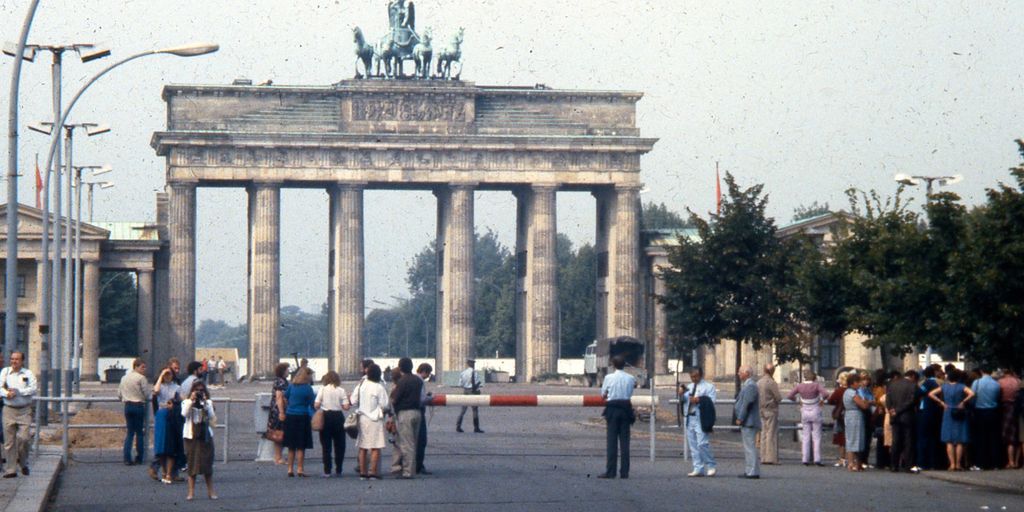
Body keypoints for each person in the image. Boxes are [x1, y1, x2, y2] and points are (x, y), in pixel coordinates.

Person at [598, 356, 636, 479]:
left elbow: (603, 395)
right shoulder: (631, 378)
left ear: (613, 365)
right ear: (624, 365)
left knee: (612, 441)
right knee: (625, 442)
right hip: (626, 409)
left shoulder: (608, 378)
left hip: (612, 409)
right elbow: (630, 393)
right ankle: (625, 472)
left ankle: (611, 471)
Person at [930, 369, 975, 471]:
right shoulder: (962, 386)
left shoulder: (944, 387)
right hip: (960, 412)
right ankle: (958, 464)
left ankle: (952, 464)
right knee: (960, 440)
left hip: (948, 411)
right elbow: (972, 393)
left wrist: (941, 402)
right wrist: (963, 402)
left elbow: (931, 394)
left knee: (948, 440)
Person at [351, 363, 389, 480]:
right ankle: (373, 472)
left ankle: (363, 472)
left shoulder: (361, 385)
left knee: (363, 447)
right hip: (375, 419)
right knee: (375, 447)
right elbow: (385, 405)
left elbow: (353, 400)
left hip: (362, 418)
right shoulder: (379, 387)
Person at [1, 351, 36, 478]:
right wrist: (6, 393)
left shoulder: (28, 374)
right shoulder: (5, 372)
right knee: (9, 442)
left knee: (24, 439)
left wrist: (18, 391)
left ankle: (23, 462)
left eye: (17, 359)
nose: (14, 361)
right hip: (8, 410)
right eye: (12, 359)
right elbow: (0, 387)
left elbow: (32, 388)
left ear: (22, 361)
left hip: (24, 410)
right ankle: (10, 469)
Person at [181, 381, 217, 500]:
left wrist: (205, 403)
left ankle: (210, 491)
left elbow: (211, 416)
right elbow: (184, 414)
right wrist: (191, 401)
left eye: (201, 390)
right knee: (192, 464)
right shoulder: (186, 402)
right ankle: (191, 492)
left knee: (207, 464)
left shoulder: (208, 402)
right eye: (197, 390)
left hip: (205, 435)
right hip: (192, 436)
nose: (199, 393)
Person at [787, 370, 830, 466]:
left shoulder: (800, 386)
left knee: (805, 436)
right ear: (814, 378)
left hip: (804, 410)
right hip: (815, 410)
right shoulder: (816, 385)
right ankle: (817, 459)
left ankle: (805, 459)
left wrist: (798, 400)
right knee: (817, 436)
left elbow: (789, 395)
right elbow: (826, 394)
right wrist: (822, 400)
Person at [390, 357, 423, 479]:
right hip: (417, 413)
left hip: (404, 413)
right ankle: (410, 468)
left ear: (400, 367)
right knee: (413, 442)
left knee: (406, 444)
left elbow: (395, 399)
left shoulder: (402, 382)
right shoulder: (418, 380)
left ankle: (407, 471)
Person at [681, 368, 716, 477]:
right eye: (692, 377)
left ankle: (711, 465)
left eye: (696, 376)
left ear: (701, 375)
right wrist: (681, 394)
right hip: (689, 418)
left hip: (700, 417)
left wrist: (699, 400)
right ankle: (698, 467)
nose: (694, 379)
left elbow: (711, 402)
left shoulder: (709, 387)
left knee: (702, 443)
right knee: (693, 445)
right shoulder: (689, 387)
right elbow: (683, 401)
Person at [314, 370, 350, 477]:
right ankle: (339, 469)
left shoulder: (323, 389)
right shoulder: (341, 390)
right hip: (338, 417)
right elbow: (346, 407)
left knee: (326, 445)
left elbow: (316, 405)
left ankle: (327, 471)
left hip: (326, 417)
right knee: (340, 445)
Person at [283, 367, 315, 477]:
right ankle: (300, 469)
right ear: (307, 376)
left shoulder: (291, 386)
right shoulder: (307, 388)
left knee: (291, 445)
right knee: (301, 445)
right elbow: (312, 403)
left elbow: (285, 397)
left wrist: (289, 407)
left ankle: (290, 469)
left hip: (290, 416)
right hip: (303, 416)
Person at [151, 366, 181, 483]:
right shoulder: (160, 385)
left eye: (170, 374)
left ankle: (169, 473)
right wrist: (161, 375)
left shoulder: (177, 387)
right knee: (161, 446)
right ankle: (163, 472)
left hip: (172, 415)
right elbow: (156, 391)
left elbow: (180, 399)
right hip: (161, 415)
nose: (168, 376)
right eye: (166, 374)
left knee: (170, 446)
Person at [887, 370, 920, 473]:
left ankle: (893, 465)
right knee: (908, 441)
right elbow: (912, 401)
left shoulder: (892, 384)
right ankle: (908, 465)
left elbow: (888, 399)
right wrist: (899, 410)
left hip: (894, 416)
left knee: (895, 441)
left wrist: (891, 409)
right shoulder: (913, 385)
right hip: (907, 416)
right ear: (913, 376)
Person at [118, 358, 149, 465]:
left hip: (128, 406)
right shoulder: (141, 378)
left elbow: (119, 393)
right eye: (142, 367)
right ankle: (139, 457)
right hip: (138, 406)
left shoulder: (124, 378)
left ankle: (127, 458)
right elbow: (146, 394)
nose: (144, 369)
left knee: (130, 433)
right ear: (136, 367)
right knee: (139, 433)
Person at [734, 365, 761, 479]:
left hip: (749, 420)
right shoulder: (748, 385)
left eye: (740, 372)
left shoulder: (750, 386)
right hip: (748, 420)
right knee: (748, 447)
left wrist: (740, 417)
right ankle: (749, 469)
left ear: (747, 373)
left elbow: (747, 403)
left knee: (750, 447)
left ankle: (752, 471)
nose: (738, 374)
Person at [971, 367, 1001, 470]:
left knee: (981, 438)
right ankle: (995, 463)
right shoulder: (996, 384)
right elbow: (998, 397)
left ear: (981, 371)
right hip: (993, 411)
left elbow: (972, 397)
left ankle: (981, 463)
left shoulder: (977, 382)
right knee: (994, 438)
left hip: (980, 411)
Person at [917, 366, 943, 470]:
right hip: (936, 411)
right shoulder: (940, 382)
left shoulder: (927, 383)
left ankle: (923, 462)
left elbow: (919, 392)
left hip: (926, 411)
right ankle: (934, 462)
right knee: (934, 438)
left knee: (924, 438)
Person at [843, 373, 871, 472]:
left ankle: (853, 463)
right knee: (856, 438)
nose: (859, 384)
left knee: (851, 438)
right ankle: (853, 463)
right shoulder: (853, 393)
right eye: (858, 382)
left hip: (849, 415)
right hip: (855, 416)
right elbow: (863, 405)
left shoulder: (846, 392)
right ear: (853, 383)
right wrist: (867, 402)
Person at [265, 362, 290, 465]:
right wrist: (282, 412)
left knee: (277, 434)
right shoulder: (281, 382)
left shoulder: (278, 381)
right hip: (279, 410)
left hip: (275, 410)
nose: (289, 371)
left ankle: (278, 457)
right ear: (283, 371)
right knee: (279, 434)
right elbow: (279, 397)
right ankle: (278, 457)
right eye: (287, 369)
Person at [757, 363, 781, 465]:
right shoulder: (771, 383)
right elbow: (778, 397)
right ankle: (770, 458)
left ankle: (763, 456)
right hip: (771, 410)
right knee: (771, 434)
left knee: (763, 434)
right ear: (772, 371)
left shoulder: (758, 382)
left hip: (761, 410)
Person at [999, 369, 1021, 469]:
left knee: (1008, 438)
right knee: (1016, 437)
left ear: (1005, 374)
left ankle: (1010, 461)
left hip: (1005, 409)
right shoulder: (1018, 382)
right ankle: (1016, 462)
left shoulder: (1001, 382)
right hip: (1017, 410)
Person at [827, 372, 849, 467]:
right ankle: (851, 458)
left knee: (840, 437)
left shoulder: (839, 391)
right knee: (850, 437)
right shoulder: (852, 390)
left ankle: (842, 458)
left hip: (840, 415)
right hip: (850, 415)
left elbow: (831, 400)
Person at [415, 363, 433, 475]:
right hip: (418, 412)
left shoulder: (412, 378)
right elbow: (422, 399)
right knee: (421, 440)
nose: (428, 376)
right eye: (429, 373)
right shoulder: (420, 381)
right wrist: (430, 398)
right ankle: (419, 466)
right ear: (424, 371)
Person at [456, 358, 483, 433]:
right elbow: (476, 383)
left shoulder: (463, 373)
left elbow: (460, 384)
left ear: (467, 364)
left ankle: (458, 426)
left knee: (463, 410)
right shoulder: (474, 372)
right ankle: (476, 427)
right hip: (473, 391)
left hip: (465, 391)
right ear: (473, 364)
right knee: (475, 410)